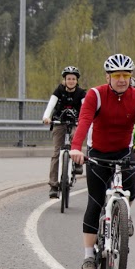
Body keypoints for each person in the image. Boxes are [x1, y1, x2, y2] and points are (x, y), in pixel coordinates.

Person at [69, 54, 135, 269]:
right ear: (108, 77)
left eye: (126, 75)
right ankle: (88, 257)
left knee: (131, 190)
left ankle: (123, 217)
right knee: (95, 202)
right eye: (117, 75)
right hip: (98, 154)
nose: (122, 79)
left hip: (124, 154)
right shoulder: (96, 95)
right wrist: (76, 148)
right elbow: (84, 121)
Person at [43, 66, 87, 198]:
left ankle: (77, 162)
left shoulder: (81, 93)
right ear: (65, 79)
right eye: (68, 78)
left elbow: (86, 108)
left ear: (77, 80)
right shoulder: (59, 91)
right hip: (59, 122)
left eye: (73, 79)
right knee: (57, 152)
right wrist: (46, 117)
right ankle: (53, 186)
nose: (71, 81)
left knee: (76, 137)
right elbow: (51, 105)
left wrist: (87, 120)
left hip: (76, 122)